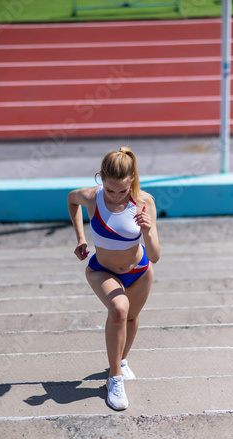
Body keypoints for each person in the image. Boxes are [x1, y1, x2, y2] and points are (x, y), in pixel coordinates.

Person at [67, 146, 160, 410]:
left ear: (132, 181)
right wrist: (81, 238)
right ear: (101, 179)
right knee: (119, 310)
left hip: (140, 270)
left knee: (131, 317)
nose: (117, 196)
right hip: (102, 270)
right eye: (110, 190)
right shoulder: (90, 197)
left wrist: (149, 231)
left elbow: (154, 256)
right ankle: (114, 377)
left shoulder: (144, 202)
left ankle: (122, 360)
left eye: (122, 190)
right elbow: (71, 200)